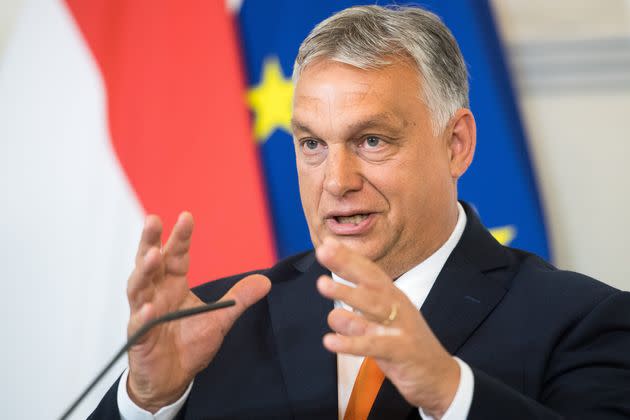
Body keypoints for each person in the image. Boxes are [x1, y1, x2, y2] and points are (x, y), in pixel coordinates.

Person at [91, 5, 630, 420]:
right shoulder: (212, 323)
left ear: (457, 144)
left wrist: (448, 389)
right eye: (312, 144)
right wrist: (147, 399)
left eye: (372, 140)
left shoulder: (584, 322)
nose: (337, 182)